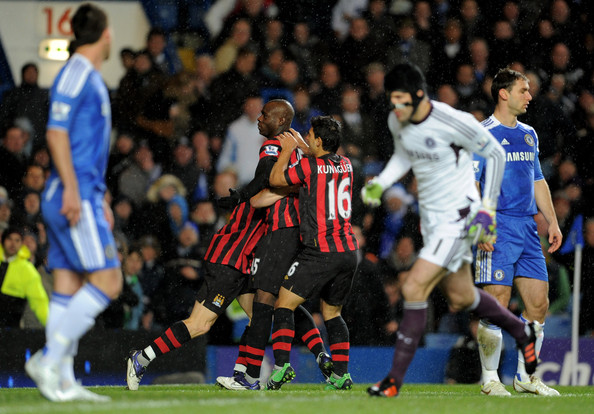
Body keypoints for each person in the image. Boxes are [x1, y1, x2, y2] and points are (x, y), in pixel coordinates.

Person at [360, 63, 538, 398]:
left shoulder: (452, 120)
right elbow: (404, 154)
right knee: (462, 296)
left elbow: (495, 154)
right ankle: (521, 331)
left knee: (413, 286)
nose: (396, 108)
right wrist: (381, 182)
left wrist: (487, 209)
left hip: (461, 217)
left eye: (401, 100)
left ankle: (393, 381)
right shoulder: (397, 119)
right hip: (432, 220)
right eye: (392, 100)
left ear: (419, 94)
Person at [24, 3, 120, 403]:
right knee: (109, 281)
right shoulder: (78, 71)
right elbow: (56, 132)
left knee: (67, 285)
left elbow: (81, 143)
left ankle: (62, 382)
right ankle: (48, 360)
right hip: (72, 195)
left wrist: (98, 195)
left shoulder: (86, 74)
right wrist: (72, 189)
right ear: (104, 34)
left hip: (80, 191)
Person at [215, 100, 331, 391]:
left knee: (263, 301)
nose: (259, 118)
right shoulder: (303, 146)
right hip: (304, 233)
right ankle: (320, 354)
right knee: (285, 302)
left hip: (282, 232)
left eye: (264, 115)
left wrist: (240, 196)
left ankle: (250, 376)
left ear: (279, 121)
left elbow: (265, 177)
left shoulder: (274, 145)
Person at [473, 68, 562, 397]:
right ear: (504, 93)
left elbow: (537, 179)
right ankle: (489, 378)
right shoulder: (483, 134)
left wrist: (552, 221)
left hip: (527, 227)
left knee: (538, 304)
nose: (529, 96)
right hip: (497, 225)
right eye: (523, 90)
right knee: (497, 302)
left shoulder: (528, 134)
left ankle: (525, 376)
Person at [258, 117, 359, 391]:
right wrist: (306, 147)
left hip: (320, 251)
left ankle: (281, 367)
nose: (307, 136)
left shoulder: (309, 166)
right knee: (332, 313)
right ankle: (341, 375)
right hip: (348, 251)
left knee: (283, 304)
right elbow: (324, 162)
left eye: (310, 134)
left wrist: (288, 150)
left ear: (319, 141)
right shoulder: (347, 164)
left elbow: (275, 179)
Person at [125, 194, 266, 390]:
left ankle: (240, 376)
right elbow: (264, 194)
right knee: (199, 324)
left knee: (258, 318)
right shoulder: (273, 189)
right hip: (230, 261)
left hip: (245, 263)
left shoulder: (272, 192)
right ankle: (142, 358)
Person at [0, 226, 49, 328]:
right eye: (9, 239)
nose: (13, 244)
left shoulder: (27, 270)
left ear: (21, 244)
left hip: (10, 328)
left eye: (17, 240)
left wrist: (51, 326)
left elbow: (39, 302)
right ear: (3, 240)